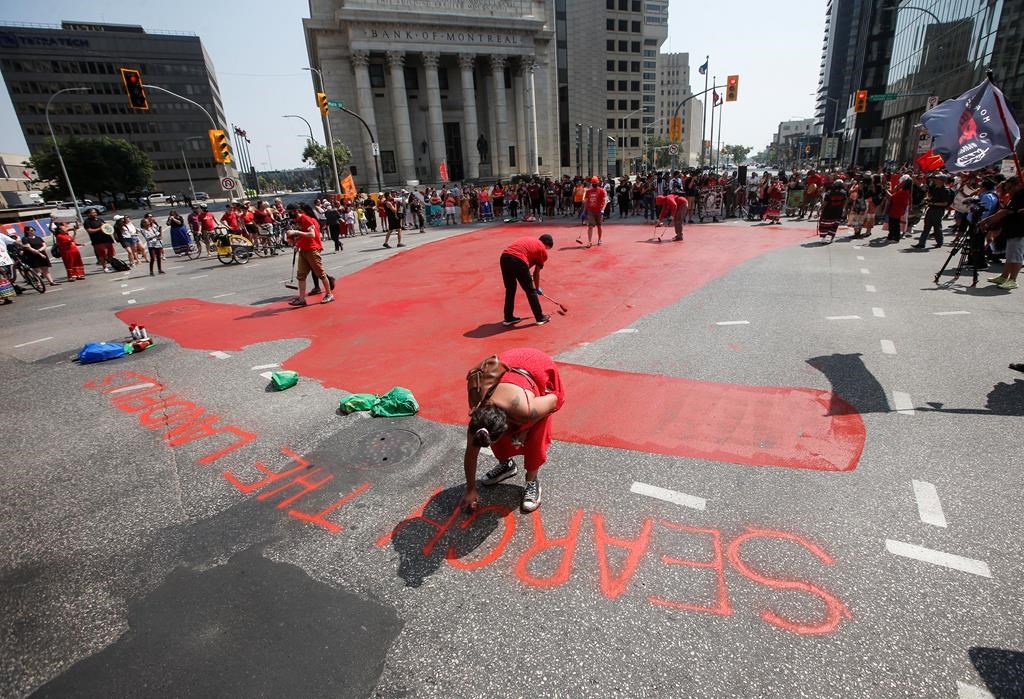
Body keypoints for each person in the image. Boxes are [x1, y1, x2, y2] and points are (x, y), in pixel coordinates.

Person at [461, 348, 565, 514]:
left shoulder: (526, 410)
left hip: (536, 365)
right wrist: (470, 489)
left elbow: (556, 400)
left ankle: (532, 481)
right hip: (506, 368)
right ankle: (506, 465)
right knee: (499, 439)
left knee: (534, 439)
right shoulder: (478, 413)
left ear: (507, 425)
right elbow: (470, 454)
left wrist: (527, 427)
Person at [500, 234, 553, 327]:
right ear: (547, 245)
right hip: (518, 260)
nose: (546, 251)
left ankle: (508, 317)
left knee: (510, 289)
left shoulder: (530, 241)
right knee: (530, 291)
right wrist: (537, 288)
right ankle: (540, 317)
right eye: (548, 248)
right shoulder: (542, 250)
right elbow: (536, 272)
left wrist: (526, 275)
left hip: (504, 257)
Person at [286, 203, 334, 305]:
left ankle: (329, 294)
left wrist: (296, 232)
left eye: (289, 212)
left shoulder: (306, 219)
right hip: (303, 250)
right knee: (301, 275)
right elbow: (302, 236)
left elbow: (312, 234)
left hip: (312, 249)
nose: (288, 215)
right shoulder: (296, 221)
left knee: (320, 273)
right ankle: (302, 299)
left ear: (296, 211)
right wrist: (297, 244)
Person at [982, 176, 1023, 290]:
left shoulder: (1021, 196)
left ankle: (1013, 280)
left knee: (1016, 256)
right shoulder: (1014, 196)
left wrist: (986, 221)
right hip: (1011, 229)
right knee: (1010, 256)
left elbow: (1005, 212)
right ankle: (1004, 277)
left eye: (1009, 187)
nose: (1007, 190)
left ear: (1018, 185)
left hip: (1019, 231)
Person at [913, 176, 954, 249]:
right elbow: (932, 198)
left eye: (937, 179)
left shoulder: (945, 190)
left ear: (942, 181)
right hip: (931, 209)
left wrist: (933, 203)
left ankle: (939, 242)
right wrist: (927, 200)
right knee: (926, 226)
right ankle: (921, 243)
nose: (935, 180)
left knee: (937, 227)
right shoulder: (936, 188)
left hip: (938, 211)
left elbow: (945, 203)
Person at [583, 176, 607, 248]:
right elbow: (586, 202)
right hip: (591, 211)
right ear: (591, 183)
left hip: (599, 211)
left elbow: (605, 201)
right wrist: (584, 211)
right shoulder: (588, 191)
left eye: (595, 183)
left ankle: (599, 239)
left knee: (599, 226)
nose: (594, 185)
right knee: (590, 226)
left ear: (598, 183)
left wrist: (603, 209)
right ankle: (589, 241)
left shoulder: (602, 191)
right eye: (593, 183)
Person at [886, 177, 913, 243]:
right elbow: (893, 192)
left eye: (903, 182)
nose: (901, 182)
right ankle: (891, 236)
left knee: (894, 224)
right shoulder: (903, 190)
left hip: (896, 209)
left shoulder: (903, 192)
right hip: (897, 209)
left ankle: (895, 238)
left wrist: (885, 191)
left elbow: (892, 197)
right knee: (892, 223)